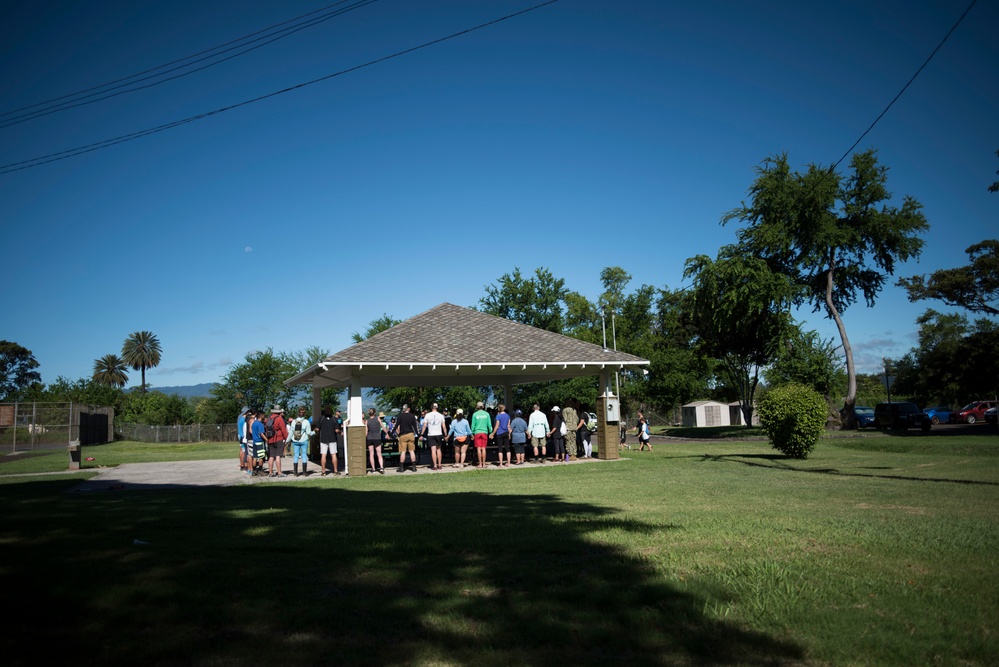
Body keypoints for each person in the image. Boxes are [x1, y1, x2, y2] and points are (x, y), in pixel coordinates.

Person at [286, 407, 314, 476]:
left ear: (298, 413)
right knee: (304, 455)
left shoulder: (293, 422)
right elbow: (308, 432)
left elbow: (291, 433)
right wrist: (314, 432)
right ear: (304, 414)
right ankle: (304, 472)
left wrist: (287, 440)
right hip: (304, 440)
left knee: (296, 455)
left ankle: (295, 472)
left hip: (295, 440)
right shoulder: (306, 422)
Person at [317, 405, 342, 476]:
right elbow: (337, 430)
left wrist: (316, 432)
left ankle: (323, 472)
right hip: (332, 439)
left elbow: (317, 429)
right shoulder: (334, 419)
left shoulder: (321, 418)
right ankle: (335, 471)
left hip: (323, 439)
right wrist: (341, 433)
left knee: (323, 455)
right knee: (333, 454)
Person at [394, 404, 420, 472]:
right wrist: (418, 435)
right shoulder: (412, 416)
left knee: (403, 452)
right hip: (411, 434)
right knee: (412, 451)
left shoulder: (400, 416)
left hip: (403, 435)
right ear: (408, 409)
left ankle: (401, 467)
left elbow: (396, 426)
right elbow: (415, 427)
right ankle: (414, 467)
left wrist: (390, 434)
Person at [421, 403, 447, 471]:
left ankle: (435, 465)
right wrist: (446, 434)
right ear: (437, 407)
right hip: (438, 433)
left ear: (431, 407)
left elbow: (424, 425)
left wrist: (421, 434)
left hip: (431, 434)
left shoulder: (427, 415)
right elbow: (443, 426)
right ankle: (440, 465)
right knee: (438, 449)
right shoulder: (441, 415)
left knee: (433, 450)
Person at [266, 405, 288, 477]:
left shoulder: (269, 418)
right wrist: (287, 438)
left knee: (271, 456)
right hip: (278, 438)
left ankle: (270, 472)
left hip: (270, 439)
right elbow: (283, 430)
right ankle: (279, 472)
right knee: (278, 455)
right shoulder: (279, 419)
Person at [470, 401, 492, 469]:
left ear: (477, 407)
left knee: (478, 448)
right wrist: (491, 432)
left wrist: (472, 433)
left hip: (477, 432)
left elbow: (473, 425)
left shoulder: (475, 414)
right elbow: (489, 424)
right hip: (484, 432)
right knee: (484, 448)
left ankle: (480, 464)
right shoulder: (487, 414)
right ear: (483, 406)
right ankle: (484, 464)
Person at [366, 408, 387, 474]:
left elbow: (366, 432)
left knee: (371, 454)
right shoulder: (378, 419)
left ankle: (373, 468)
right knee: (379, 454)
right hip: (377, 438)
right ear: (374, 413)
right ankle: (381, 467)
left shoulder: (367, 421)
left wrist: (365, 438)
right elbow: (383, 427)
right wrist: (387, 433)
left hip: (370, 438)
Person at [249, 410, 267, 476]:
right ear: (261, 416)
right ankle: (260, 470)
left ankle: (254, 470)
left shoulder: (254, 423)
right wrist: (266, 439)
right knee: (261, 457)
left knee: (255, 457)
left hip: (254, 442)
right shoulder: (260, 424)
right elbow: (261, 433)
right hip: (259, 442)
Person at [237, 406, 251, 471]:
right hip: (242, 436)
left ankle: (242, 464)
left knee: (241, 450)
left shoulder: (239, 417)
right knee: (244, 451)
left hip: (240, 435)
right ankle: (244, 465)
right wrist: (243, 437)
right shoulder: (243, 419)